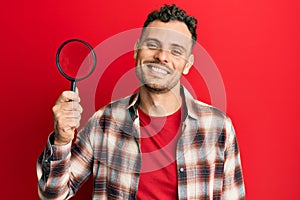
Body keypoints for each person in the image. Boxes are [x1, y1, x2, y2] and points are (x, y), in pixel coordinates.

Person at [37, 4, 245, 200]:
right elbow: (53, 195)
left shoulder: (219, 127)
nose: (162, 56)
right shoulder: (103, 122)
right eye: (153, 45)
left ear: (187, 64)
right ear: (137, 50)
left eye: (176, 51)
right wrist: (62, 140)